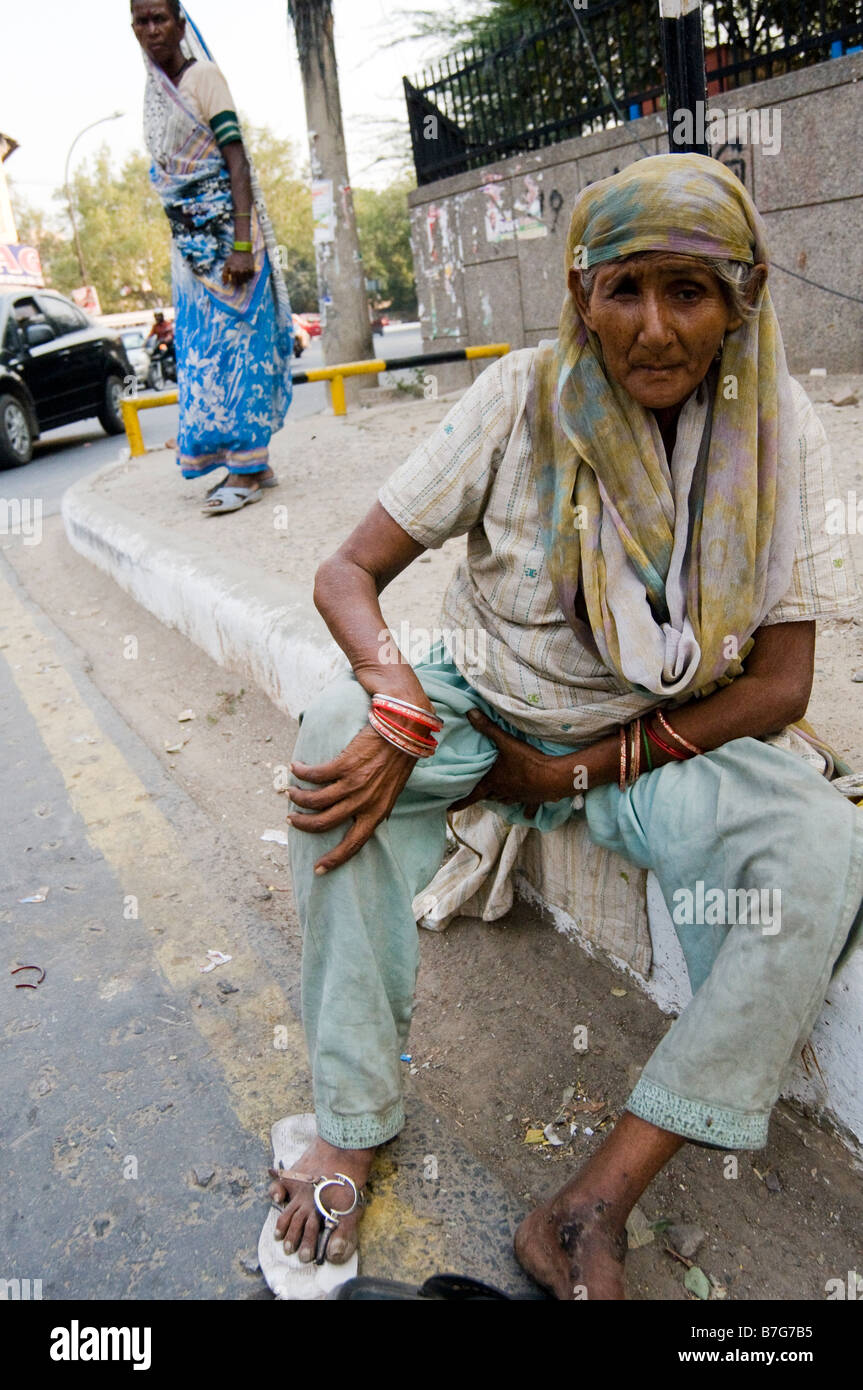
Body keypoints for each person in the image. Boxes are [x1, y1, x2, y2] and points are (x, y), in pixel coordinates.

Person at [272, 154, 863, 1297]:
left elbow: (781, 684)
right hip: (476, 702)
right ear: (579, 292)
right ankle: (349, 1119)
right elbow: (347, 571)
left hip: (649, 741)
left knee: (816, 847)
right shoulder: (520, 396)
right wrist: (399, 699)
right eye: (622, 289)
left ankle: (591, 1199)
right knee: (334, 731)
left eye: (687, 293)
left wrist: (577, 768)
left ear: (740, 298)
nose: (652, 327)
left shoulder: (777, 425)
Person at [131, 0, 292, 514]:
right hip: (191, 255)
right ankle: (252, 465)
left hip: (231, 247)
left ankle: (244, 474)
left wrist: (242, 244)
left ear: (181, 24)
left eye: (160, 18)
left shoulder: (206, 79)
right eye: (141, 20)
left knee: (240, 353)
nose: (151, 29)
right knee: (204, 360)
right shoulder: (154, 94)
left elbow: (236, 160)